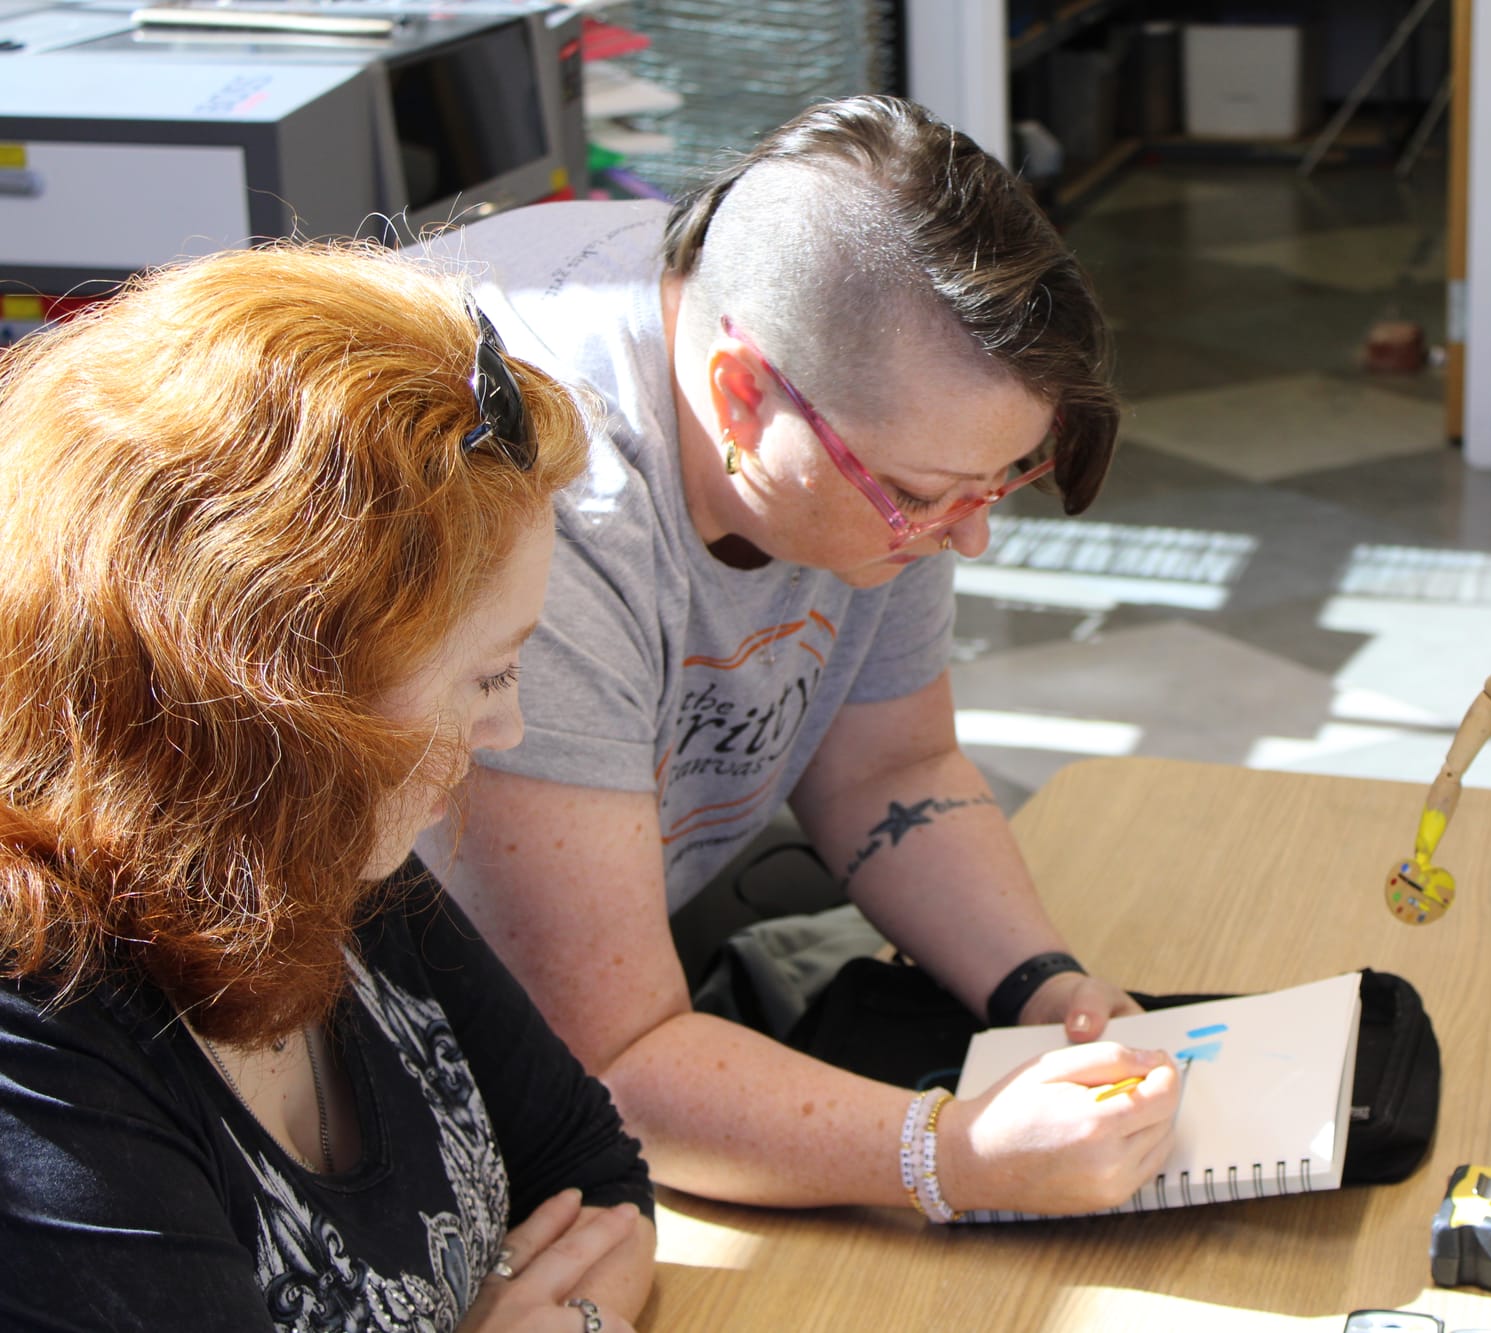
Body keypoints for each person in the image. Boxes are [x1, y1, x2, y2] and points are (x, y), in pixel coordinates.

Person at [416, 94, 1182, 1220]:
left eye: (1001, 481)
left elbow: (891, 770)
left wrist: (1041, 986)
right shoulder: (540, 517)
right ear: (740, 392)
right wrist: (955, 1155)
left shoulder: (864, 382)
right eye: (925, 499)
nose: (968, 536)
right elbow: (609, 1058)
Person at [0, 243, 658, 1331]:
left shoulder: (309, 844)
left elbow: (597, 1178)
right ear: (288, 694)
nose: (510, 725)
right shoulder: (38, 1025)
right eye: (487, 672)